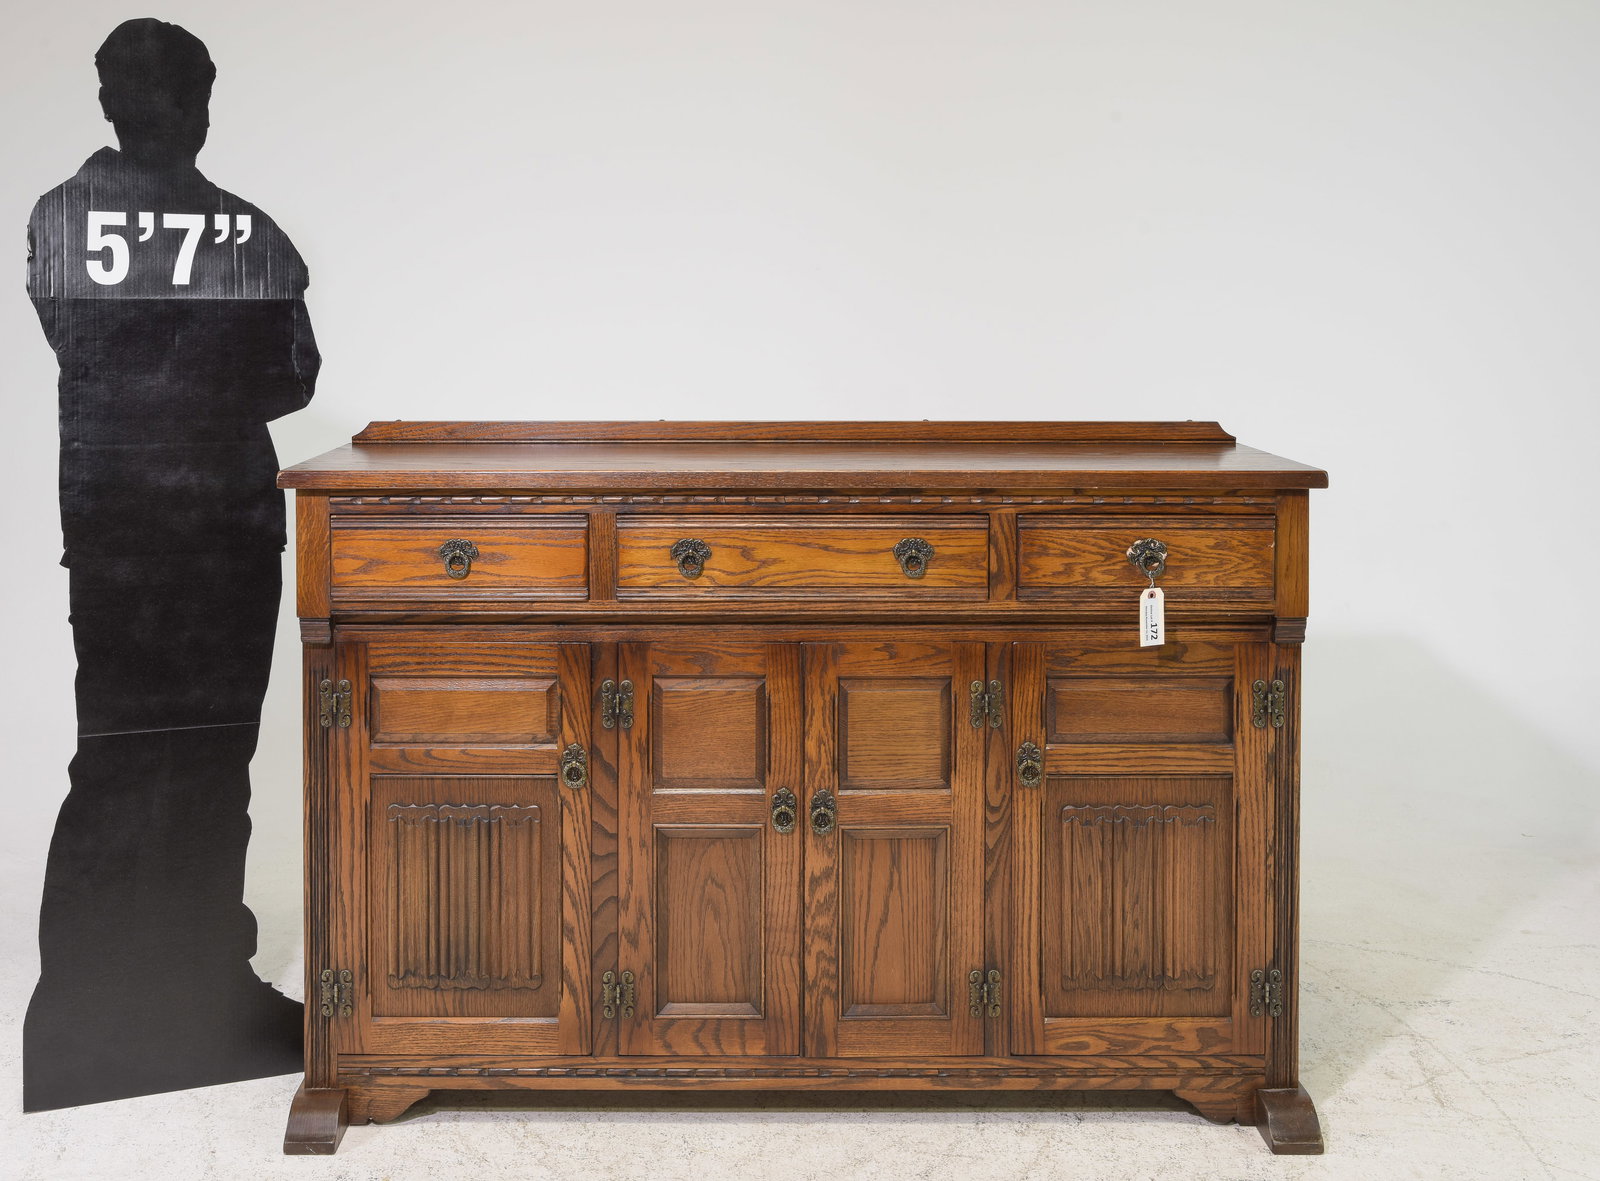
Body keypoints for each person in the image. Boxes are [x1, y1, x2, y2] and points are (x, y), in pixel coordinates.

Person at [24, 18, 318, 1110]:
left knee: (122, 754)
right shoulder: (250, 234)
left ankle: (109, 994)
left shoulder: (59, 219)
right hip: (221, 532)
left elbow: (77, 341)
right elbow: (290, 376)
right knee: (201, 764)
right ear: (196, 103)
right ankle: (184, 985)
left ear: (110, 100)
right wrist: (205, 380)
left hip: (114, 527)